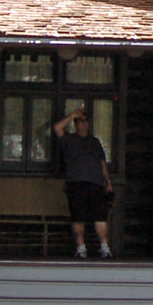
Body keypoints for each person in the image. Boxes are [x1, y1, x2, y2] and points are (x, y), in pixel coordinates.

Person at [52, 108, 115, 259]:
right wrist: (73, 115)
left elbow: (102, 163)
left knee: (101, 217)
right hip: (76, 183)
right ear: (75, 124)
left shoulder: (95, 142)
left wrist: (108, 181)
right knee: (78, 217)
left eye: (86, 121)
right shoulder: (69, 139)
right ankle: (81, 247)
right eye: (80, 121)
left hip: (96, 184)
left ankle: (104, 247)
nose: (84, 124)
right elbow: (57, 128)